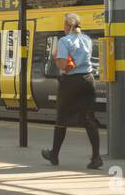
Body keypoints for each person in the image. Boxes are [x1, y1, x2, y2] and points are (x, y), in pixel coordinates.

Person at [41, 13, 102, 169]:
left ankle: (54, 155)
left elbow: (64, 65)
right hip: (88, 80)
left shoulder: (64, 41)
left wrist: (55, 57)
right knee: (89, 118)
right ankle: (96, 157)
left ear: (67, 26)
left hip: (70, 82)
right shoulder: (87, 40)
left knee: (61, 118)